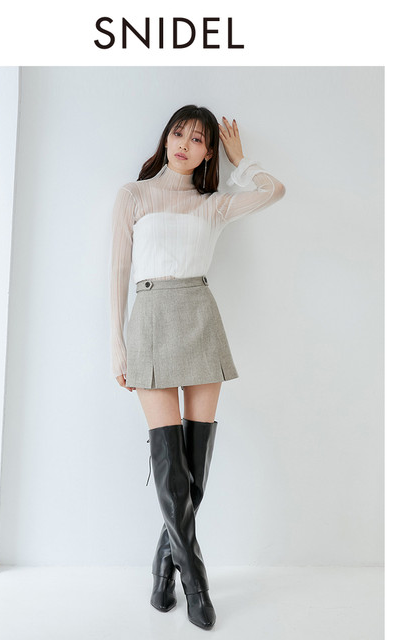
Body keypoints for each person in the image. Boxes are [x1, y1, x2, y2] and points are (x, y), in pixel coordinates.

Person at [109, 104, 286, 629]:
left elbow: (275, 191)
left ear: (209, 152)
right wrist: (117, 345)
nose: (185, 144)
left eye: (198, 139)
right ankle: (196, 581)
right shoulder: (133, 196)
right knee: (169, 463)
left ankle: (164, 568)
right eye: (179, 133)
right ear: (166, 138)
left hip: (200, 318)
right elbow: (117, 271)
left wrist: (242, 161)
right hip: (149, 320)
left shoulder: (213, 204)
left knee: (194, 464)